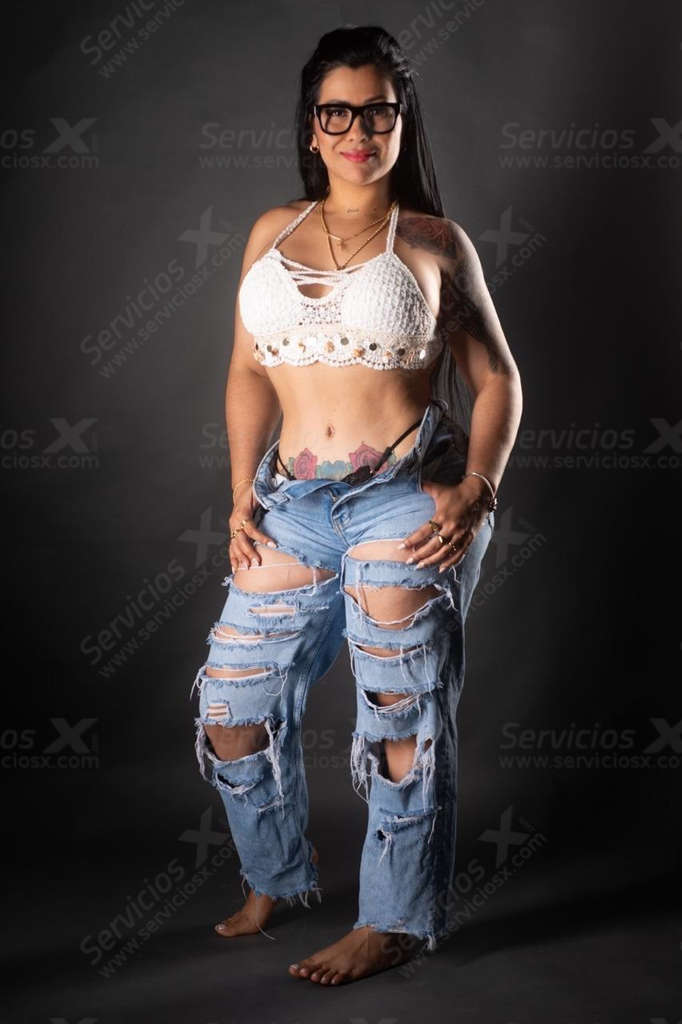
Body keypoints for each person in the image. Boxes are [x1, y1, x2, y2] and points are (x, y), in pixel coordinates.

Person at [191, 24, 523, 986]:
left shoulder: (432, 240)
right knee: (230, 707)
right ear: (311, 126)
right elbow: (247, 370)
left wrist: (479, 488)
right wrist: (239, 495)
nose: (357, 132)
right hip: (290, 502)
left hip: (401, 495)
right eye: (336, 113)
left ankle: (395, 919)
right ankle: (275, 876)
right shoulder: (271, 232)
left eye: (376, 112)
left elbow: (498, 379)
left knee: (400, 718)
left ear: (399, 121)